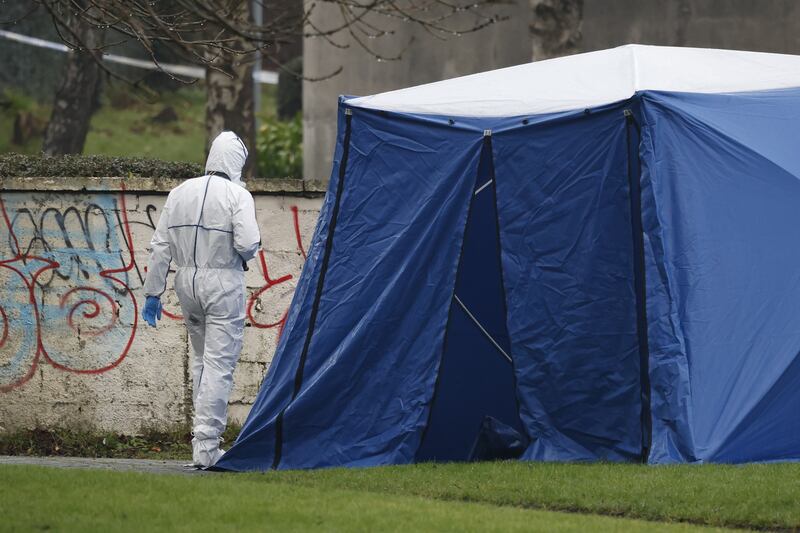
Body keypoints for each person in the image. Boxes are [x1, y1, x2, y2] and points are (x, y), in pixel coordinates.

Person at [142, 131, 261, 468]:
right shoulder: (238, 195)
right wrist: (244, 254)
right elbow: (248, 244)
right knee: (219, 365)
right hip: (223, 282)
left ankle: (201, 443)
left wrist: (153, 292)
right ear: (236, 162)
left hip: (186, 283)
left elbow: (160, 247)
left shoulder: (179, 192)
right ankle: (207, 448)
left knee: (201, 362)